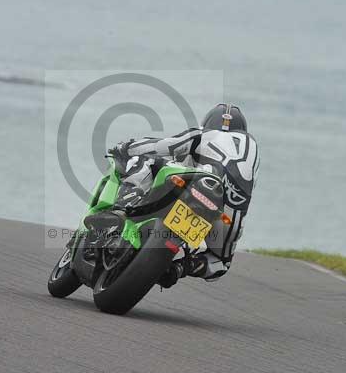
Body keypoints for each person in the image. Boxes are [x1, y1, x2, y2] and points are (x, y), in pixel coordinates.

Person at [88, 103, 259, 287]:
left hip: (196, 184)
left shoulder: (203, 134)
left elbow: (162, 146)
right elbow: (218, 269)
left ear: (208, 122)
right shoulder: (253, 151)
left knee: (145, 160)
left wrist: (126, 148)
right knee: (220, 263)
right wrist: (181, 268)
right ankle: (180, 268)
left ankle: (123, 206)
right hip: (227, 214)